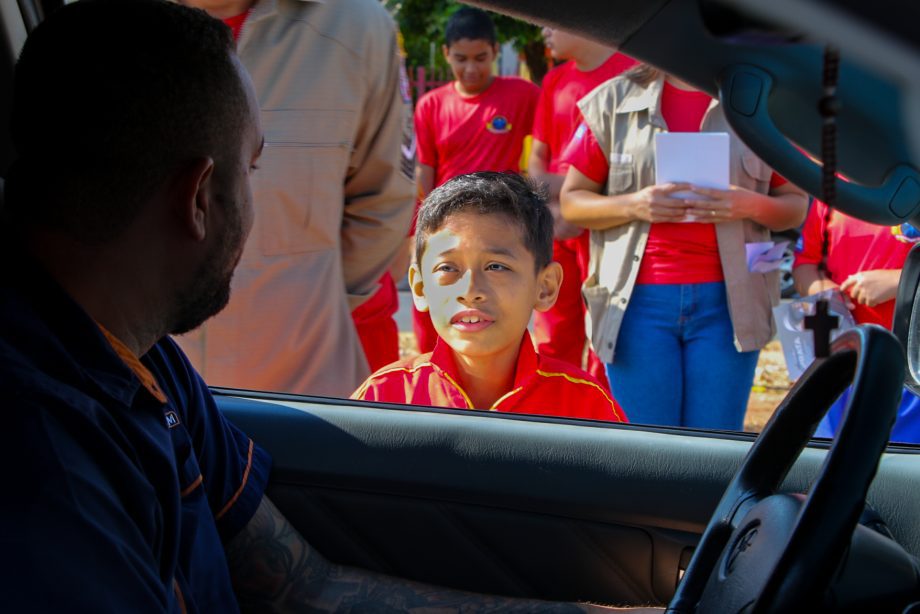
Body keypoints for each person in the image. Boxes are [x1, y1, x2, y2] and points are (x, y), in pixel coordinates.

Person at [1, 2, 660, 611]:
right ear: (199, 196)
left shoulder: (151, 370)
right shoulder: (45, 469)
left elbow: (306, 584)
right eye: (253, 169)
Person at [176, 0, 415, 397]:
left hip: (306, 396)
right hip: (138, 402)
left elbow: (383, 202)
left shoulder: (357, 27)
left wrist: (319, 306)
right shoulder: (102, 29)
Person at [559, 65, 808, 430]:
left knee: (713, 448)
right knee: (648, 451)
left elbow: (796, 205)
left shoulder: (759, 103)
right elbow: (572, 203)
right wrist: (635, 204)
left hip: (730, 308)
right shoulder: (612, 99)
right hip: (635, 308)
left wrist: (748, 204)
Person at [353, 172, 626, 422]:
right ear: (420, 287)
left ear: (545, 287)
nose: (470, 292)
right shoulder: (384, 400)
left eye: (496, 266)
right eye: (448, 268)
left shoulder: (586, 408)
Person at [412, 6, 540, 353]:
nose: (471, 68)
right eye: (461, 58)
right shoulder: (431, 105)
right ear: (446, 54)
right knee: (432, 320)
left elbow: (544, 153)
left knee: (496, 319)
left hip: (501, 232)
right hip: (447, 229)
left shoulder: (523, 95)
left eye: (481, 57)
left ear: (496, 52)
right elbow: (424, 173)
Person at [529, 26, 636, 388]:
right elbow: (536, 164)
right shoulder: (555, 80)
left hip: (611, 230)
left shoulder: (633, 74)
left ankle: (599, 426)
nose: (543, 29)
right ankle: (553, 424)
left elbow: (632, 174)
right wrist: (560, 210)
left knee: (604, 335)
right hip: (557, 227)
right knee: (553, 329)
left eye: (551, 16)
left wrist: (582, 203)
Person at [793, 201, 920, 443]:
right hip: (840, 368)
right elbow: (806, 264)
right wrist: (825, 293)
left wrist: (899, 281)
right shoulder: (833, 189)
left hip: (912, 372)